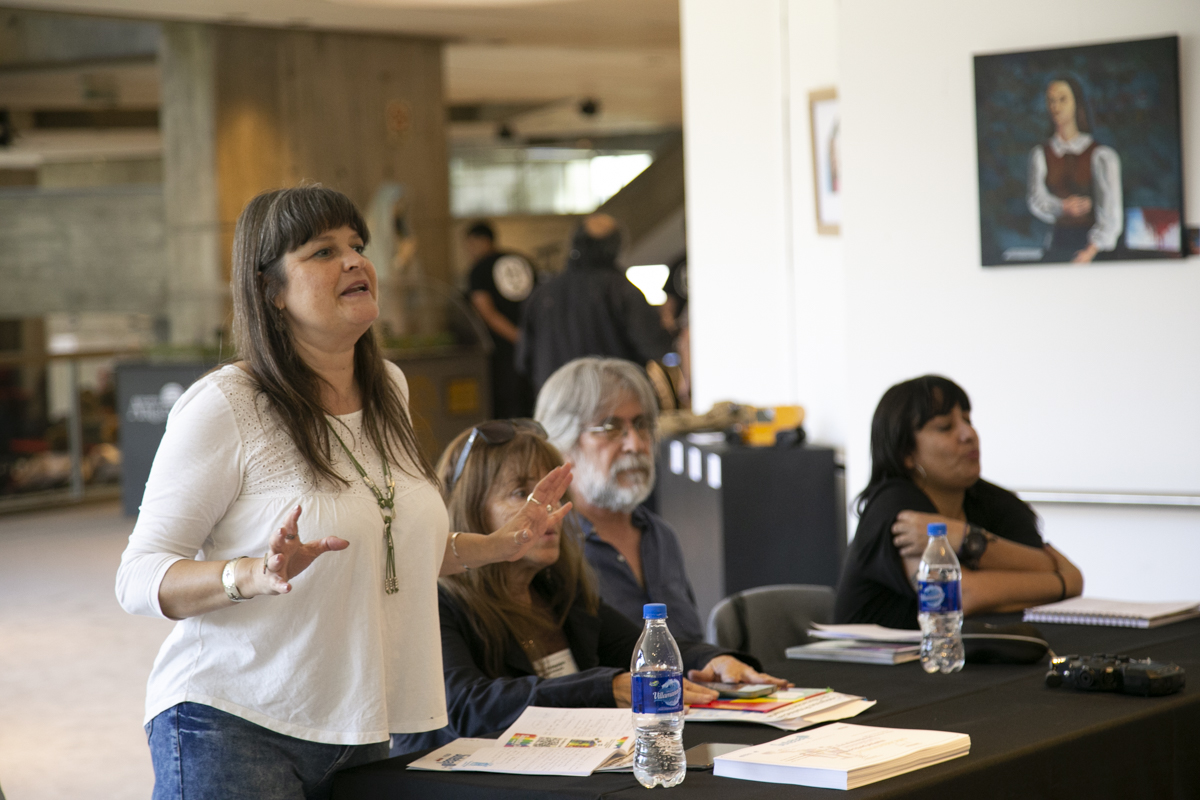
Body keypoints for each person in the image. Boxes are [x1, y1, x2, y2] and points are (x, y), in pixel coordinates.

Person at [115, 185, 572, 800]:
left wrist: (502, 544)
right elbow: (138, 577)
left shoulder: (389, 388)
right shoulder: (227, 404)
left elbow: (392, 548)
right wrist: (251, 574)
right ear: (271, 290)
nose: (356, 261)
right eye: (324, 252)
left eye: (357, 245)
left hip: (362, 726)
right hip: (233, 725)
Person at [390, 419, 788, 755]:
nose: (546, 511)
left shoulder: (556, 591)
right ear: (469, 508)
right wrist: (603, 688)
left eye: (552, 495)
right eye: (522, 494)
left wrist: (714, 661)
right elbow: (467, 706)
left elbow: (639, 649)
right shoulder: (437, 602)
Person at [834, 375, 1083, 629]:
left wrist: (963, 537)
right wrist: (1067, 582)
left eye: (967, 420)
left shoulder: (995, 502)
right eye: (945, 427)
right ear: (906, 453)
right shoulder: (896, 507)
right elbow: (961, 595)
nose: (969, 434)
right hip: (876, 655)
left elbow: (1043, 565)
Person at [536, 357, 705, 642]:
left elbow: (690, 646)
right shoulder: (551, 548)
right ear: (563, 445)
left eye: (642, 424)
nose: (635, 445)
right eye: (611, 428)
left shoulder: (660, 536)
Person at [516, 213, 673, 392]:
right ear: (617, 247)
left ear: (574, 244)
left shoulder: (541, 294)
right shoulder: (622, 291)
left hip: (557, 400)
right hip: (613, 400)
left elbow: (524, 361)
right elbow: (655, 346)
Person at [1026, 75, 1122, 264]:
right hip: (1058, 244)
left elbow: (1111, 215)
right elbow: (1036, 199)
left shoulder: (1101, 156)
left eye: (1062, 99)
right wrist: (1063, 207)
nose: (1056, 107)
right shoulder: (1040, 154)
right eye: (1051, 100)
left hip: (1094, 249)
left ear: (1076, 103)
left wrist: (1089, 252)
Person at [464, 221, 536, 418]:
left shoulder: (479, 269)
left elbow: (486, 312)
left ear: (480, 241)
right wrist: (530, 340)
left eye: (470, 245)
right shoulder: (524, 261)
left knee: (508, 410)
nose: (469, 251)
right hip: (534, 350)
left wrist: (518, 338)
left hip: (502, 353)